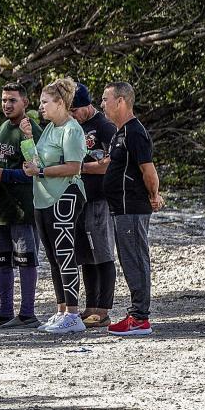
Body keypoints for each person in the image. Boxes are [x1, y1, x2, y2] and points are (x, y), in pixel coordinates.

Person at [22, 77, 87, 334]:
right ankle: (61, 310)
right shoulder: (50, 128)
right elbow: (39, 158)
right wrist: (30, 150)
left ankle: (73, 313)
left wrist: (41, 170)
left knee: (65, 254)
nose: (41, 107)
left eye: (45, 102)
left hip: (65, 196)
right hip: (43, 197)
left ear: (60, 103)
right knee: (52, 256)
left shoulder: (72, 129)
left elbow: (74, 166)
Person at [0, 83, 43, 329]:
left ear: (25, 102)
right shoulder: (3, 127)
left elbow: (34, 170)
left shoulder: (30, 130)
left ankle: (27, 314)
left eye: (12, 100)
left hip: (23, 208)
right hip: (1, 207)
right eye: (4, 100)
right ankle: (5, 312)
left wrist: (2, 175)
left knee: (25, 259)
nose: (7, 104)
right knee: (1, 259)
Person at [101, 81, 163, 336]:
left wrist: (154, 195)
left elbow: (149, 171)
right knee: (129, 260)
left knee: (136, 259)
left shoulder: (135, 132)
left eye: (106, 99)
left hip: (132, 207)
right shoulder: (120, 132)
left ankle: (139, 318)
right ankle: (136, 314)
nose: (102, 104)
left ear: (121, 101)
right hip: (120, 208)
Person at [70, 83, 118, 328]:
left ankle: (104, 308)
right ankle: (90, 304)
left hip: (100, 197)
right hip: (80, 198)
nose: (73, 115)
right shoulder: (73, 127)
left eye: (75, 110)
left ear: (86, 105)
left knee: (102, 252)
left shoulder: (104, 126)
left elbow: (111, 162)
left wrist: (83, 167)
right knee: (85, 255)